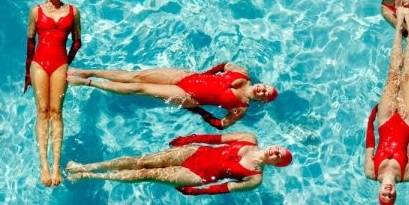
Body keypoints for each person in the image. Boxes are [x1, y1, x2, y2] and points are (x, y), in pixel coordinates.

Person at [65, 132, 292, 196]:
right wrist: (189, 139)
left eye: (279, 157)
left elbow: (224, 188)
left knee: (145, 174)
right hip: (194, 152)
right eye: (278, 150)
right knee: (140, 161)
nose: (276, 153)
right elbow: (216, 139)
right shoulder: (249, 138)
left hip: (197, 175)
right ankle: (87, 166)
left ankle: (87, 176)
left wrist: (195, 191)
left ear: (276, 164)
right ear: (275, 145)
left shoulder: (255, 178)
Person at [68, 62, 276, 129]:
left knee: (141, 89)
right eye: (266, 87)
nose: (263, 90)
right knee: (137, 76)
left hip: (187, 95)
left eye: (265, 94)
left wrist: (199, 111)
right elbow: (223, 65)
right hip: (186, 76)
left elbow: (222, 124)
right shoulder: (243, 72)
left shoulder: (241, 108)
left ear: (263, 100)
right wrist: (205, 74)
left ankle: (88, 82)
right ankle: (89, 72)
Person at [25, 0, 82, 187]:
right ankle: (44, 166)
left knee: (56, 112)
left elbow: (77, 41)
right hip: (39, 64)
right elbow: (30, 43)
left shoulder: (73, 12)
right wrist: (26, 73)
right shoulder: (36, 11)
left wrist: (67, 62)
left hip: (60, 64)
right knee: (42, 112)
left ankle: (56, 166)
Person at [365, 11, 409, 205]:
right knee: (408, 76)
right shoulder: (407, 175)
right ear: (396, 194)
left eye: (384, 196)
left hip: (384, 121)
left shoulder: (371, 172)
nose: (388, 193)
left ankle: (400, 22)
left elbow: (370, 144)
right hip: (407, 122)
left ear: (379, 193)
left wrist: (371, 120)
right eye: (391, 197)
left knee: (392, 74)